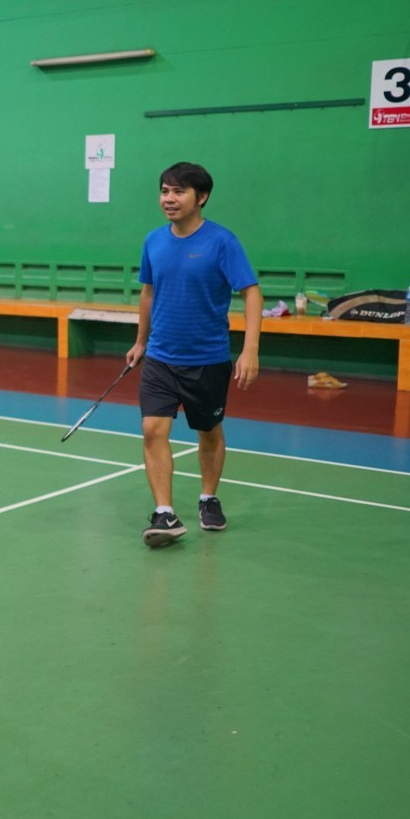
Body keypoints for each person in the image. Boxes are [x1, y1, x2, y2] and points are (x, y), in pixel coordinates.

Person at [125, 162, 261, 548]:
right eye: (164, 191)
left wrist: (250, 349)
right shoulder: (154, 241)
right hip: (161, 357)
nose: (169, 199)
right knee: (152, 430)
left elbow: (251, 292)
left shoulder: (222, 242)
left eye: (179, 191)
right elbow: (148, 292)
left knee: (208, 431)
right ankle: (164, 512)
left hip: (208, 359)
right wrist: (141, 341)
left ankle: (208, 497)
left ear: (201, 197)